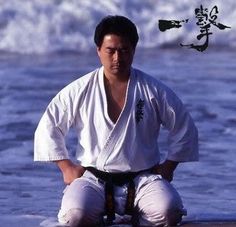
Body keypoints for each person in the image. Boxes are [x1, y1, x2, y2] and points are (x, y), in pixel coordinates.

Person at [34, 15, 198, 227]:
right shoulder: (79, 90)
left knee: (169, 212)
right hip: (93, 180)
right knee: (74, 216)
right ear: (98, 50)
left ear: (134, 50)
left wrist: (169, 166)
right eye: (110, 50)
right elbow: (48, 127)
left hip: (143, 179)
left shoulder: (153, 90)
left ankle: (138, 216)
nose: (117, 58)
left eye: (124, 50)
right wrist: (66, 167)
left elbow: (184, 127)